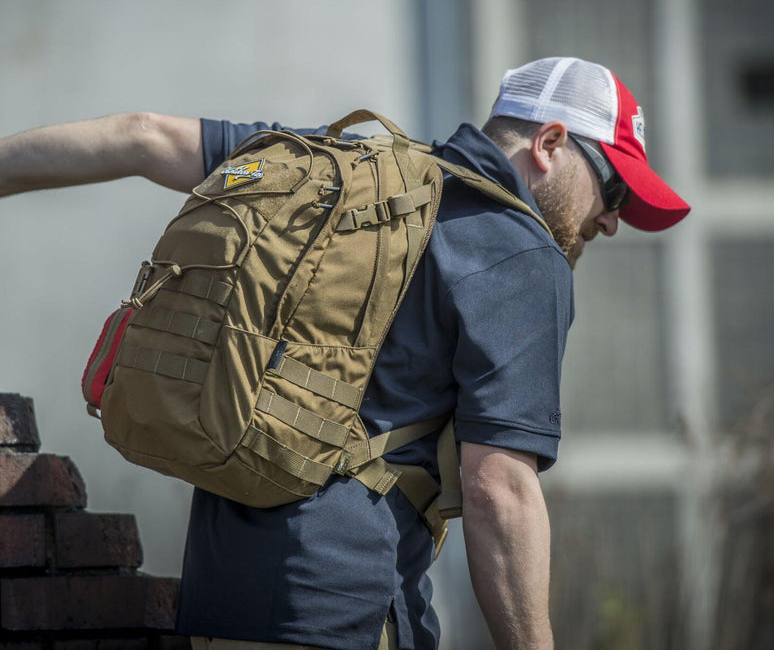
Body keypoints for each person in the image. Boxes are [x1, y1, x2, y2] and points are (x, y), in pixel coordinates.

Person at [0, 57, 689, 650]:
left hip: (217, 599)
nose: (612, 220)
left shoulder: (340, 174)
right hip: (346, 610)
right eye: (615, 189)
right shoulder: (523, 255)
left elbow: (141, 136)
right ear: (551, 142)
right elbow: (500, 489)